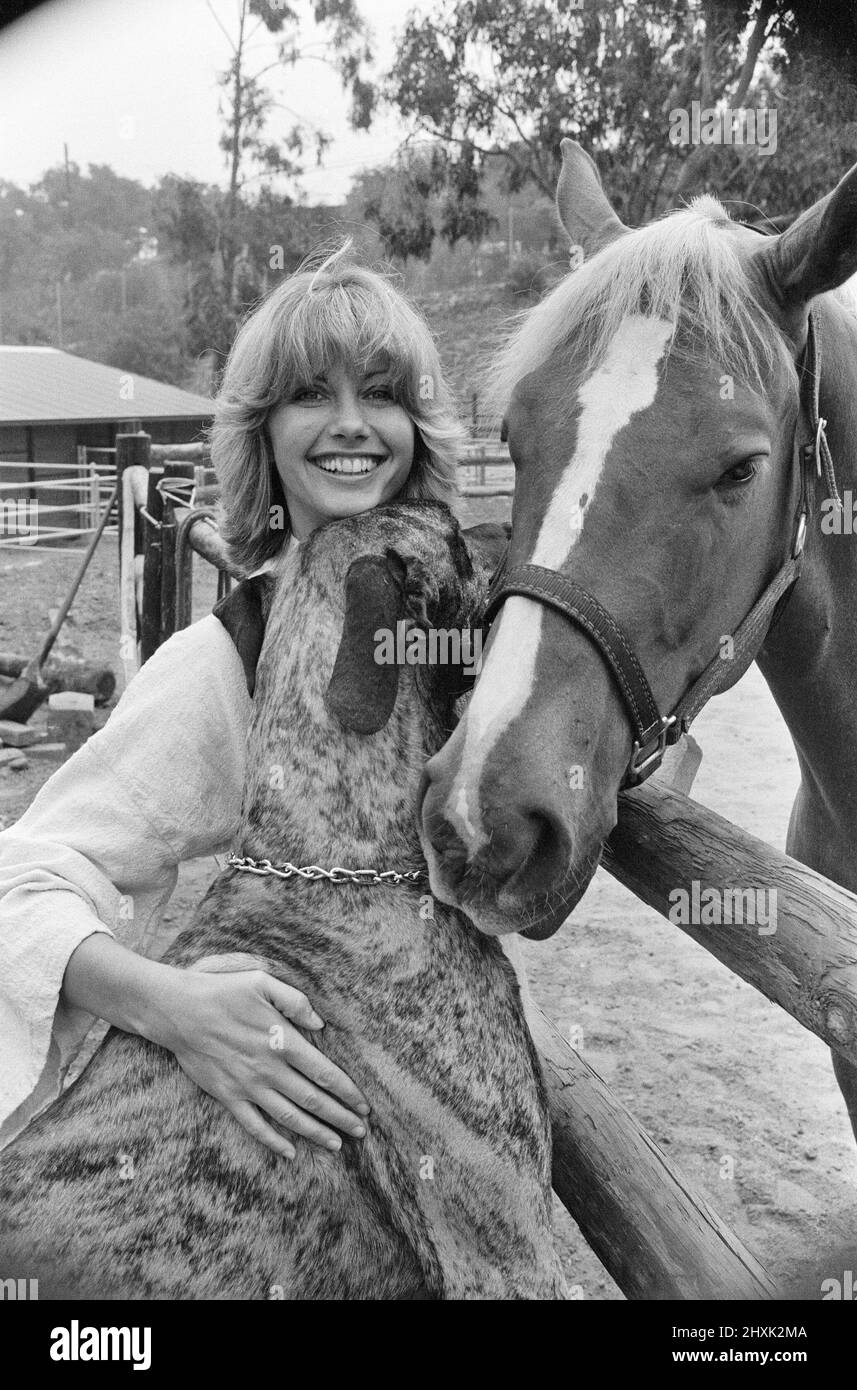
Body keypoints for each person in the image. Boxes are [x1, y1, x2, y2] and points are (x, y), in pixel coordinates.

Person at [0, 241, 466, 1159]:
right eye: (309, 395)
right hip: (317, 1117)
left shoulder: (477, 613)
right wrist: (172, 1008)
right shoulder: (228, 659)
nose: (350, 424)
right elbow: (21, 880)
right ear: (261, 430)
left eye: (379, 393)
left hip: (451, 1084)